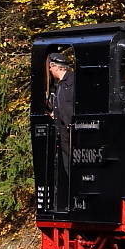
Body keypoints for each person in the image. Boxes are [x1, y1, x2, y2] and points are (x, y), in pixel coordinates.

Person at [46, 53, 75, 188]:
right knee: (67, 161)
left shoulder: (73, 82)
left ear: (56, 67)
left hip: (73, 128)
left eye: (50, 67)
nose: (50, 70)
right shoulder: (60, 86)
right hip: (64, 129)